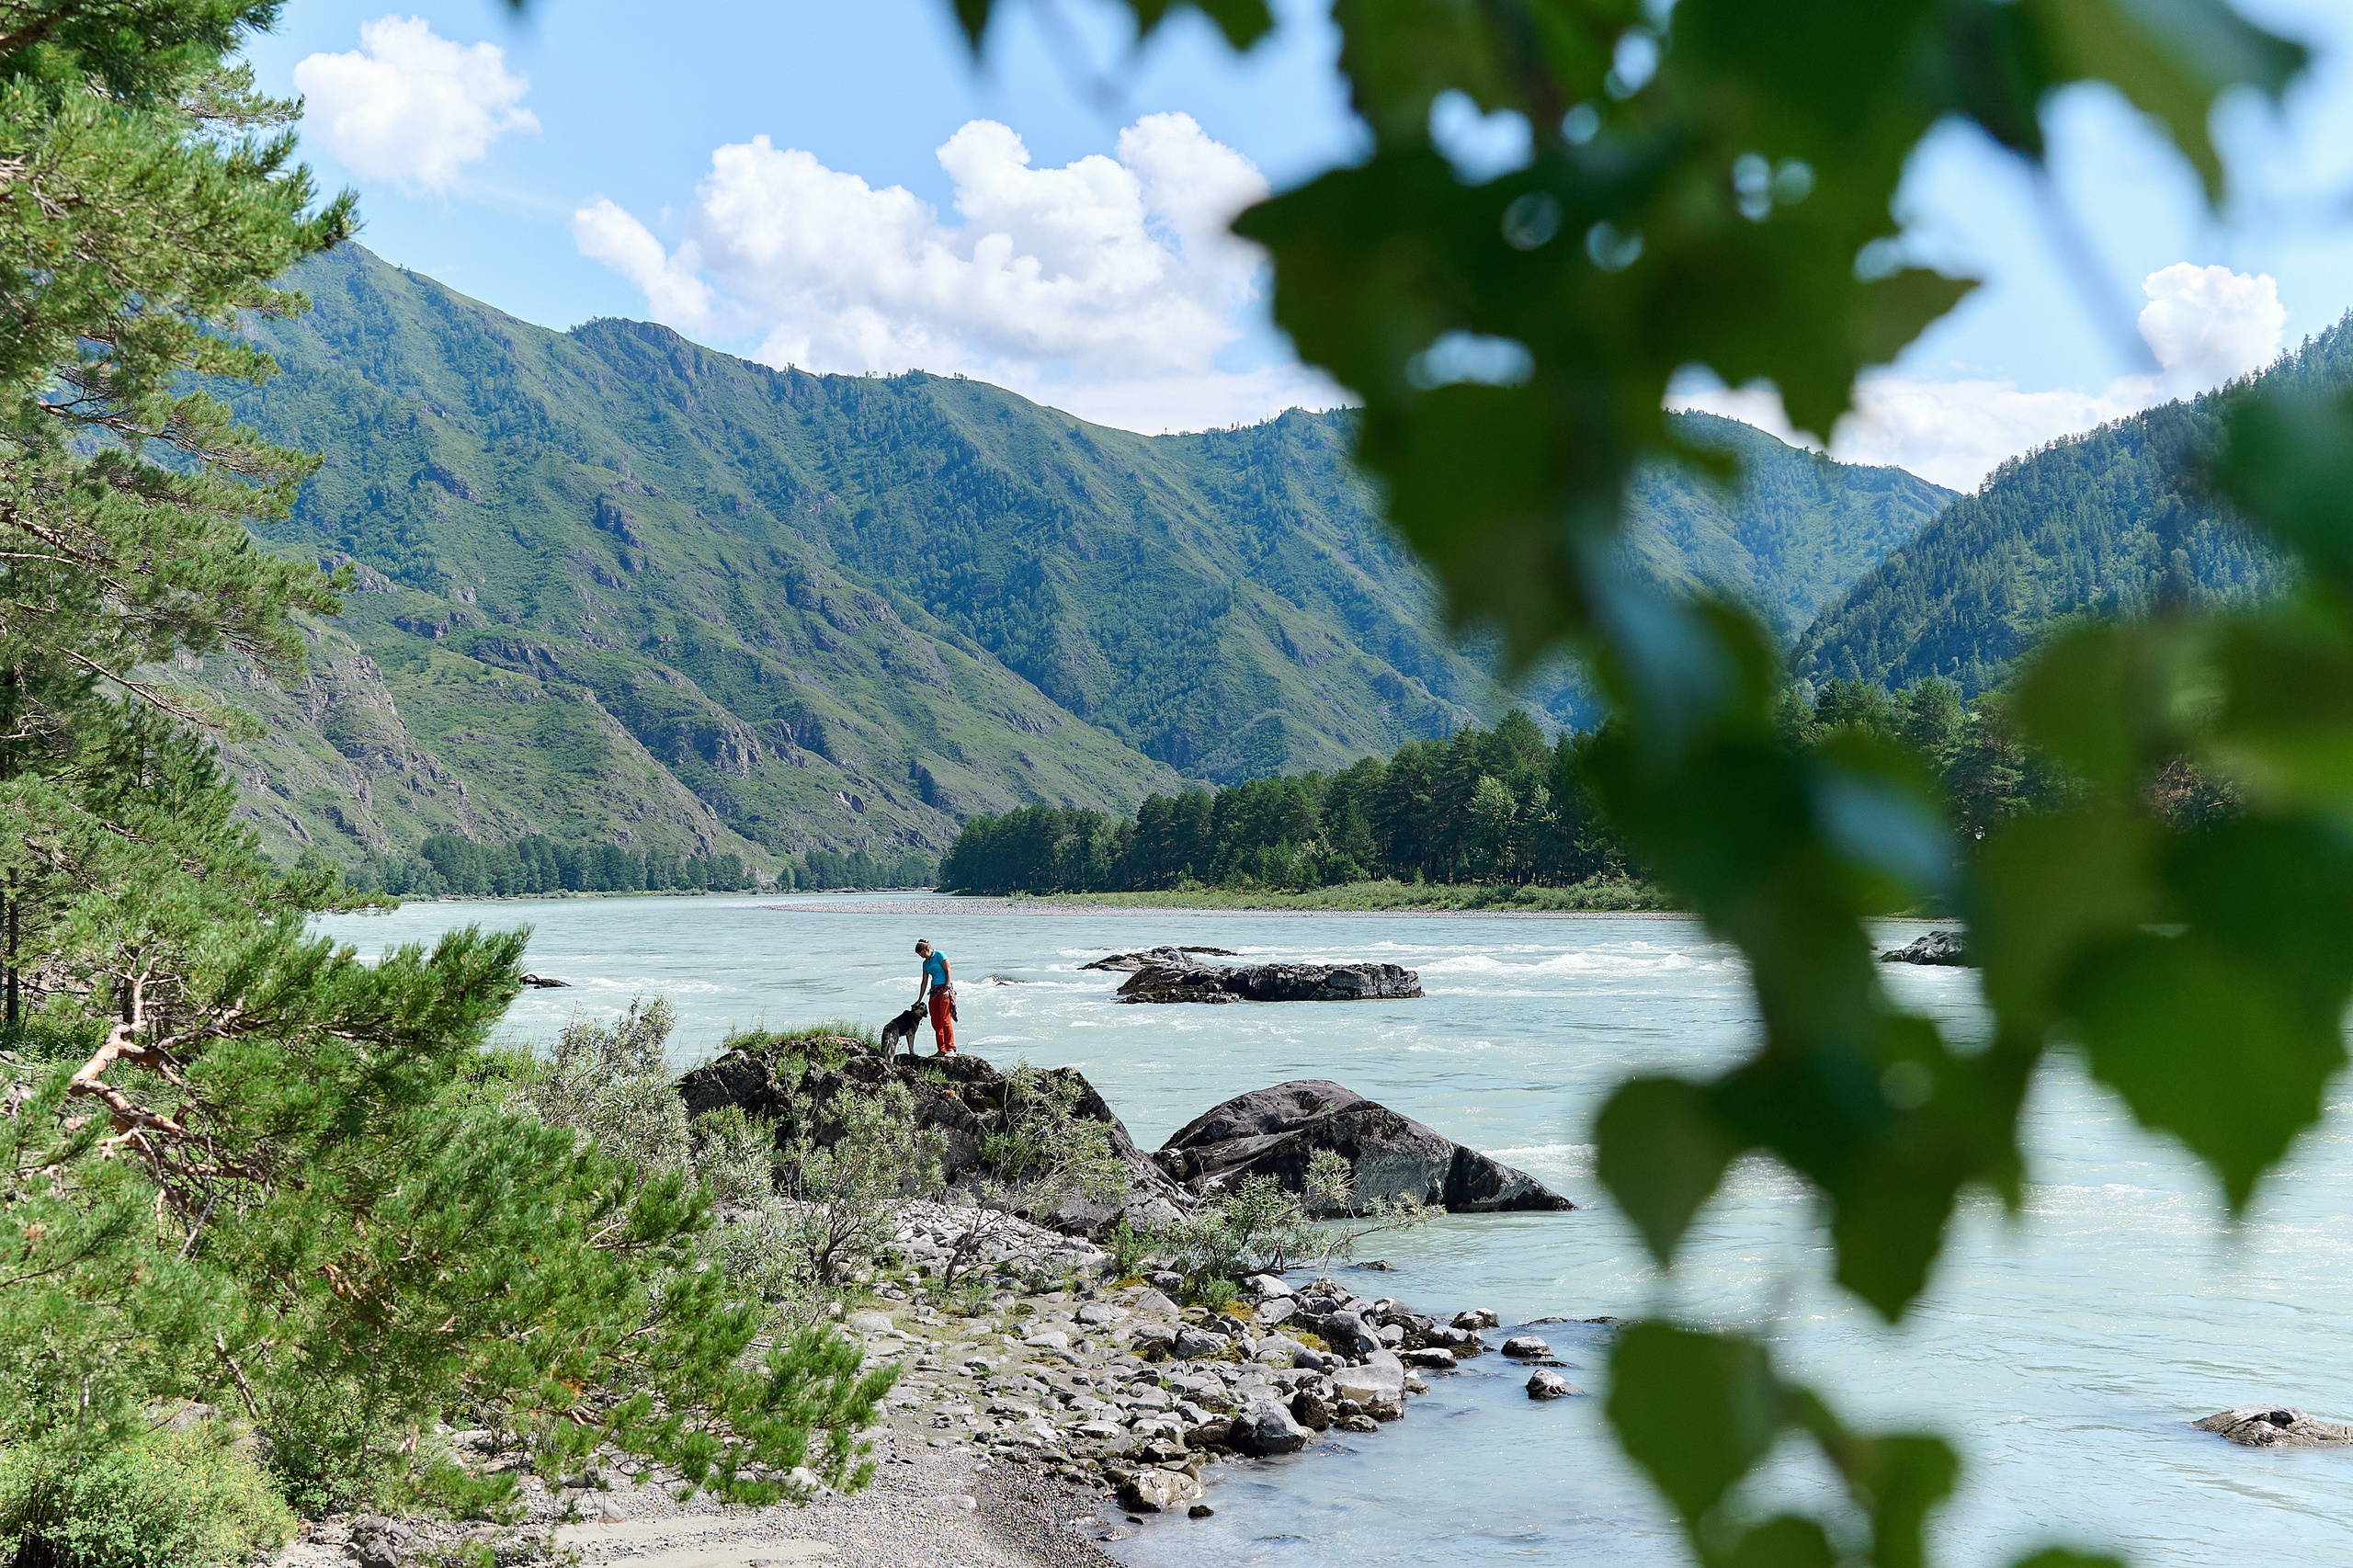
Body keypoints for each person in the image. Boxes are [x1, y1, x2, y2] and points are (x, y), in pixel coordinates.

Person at [914, 937, 955, 1056]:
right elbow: (924, 982)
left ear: (927, 949)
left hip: (944, 989)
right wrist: (919, 999)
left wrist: (947, 989)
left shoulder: (939, 955)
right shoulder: (926, 963)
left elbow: (948, 970)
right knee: (936, 1021)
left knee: (945, 1019)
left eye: (922, 954)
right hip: (934, 991)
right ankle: (941, 1049)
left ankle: (951, 1048)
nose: (922, 957)